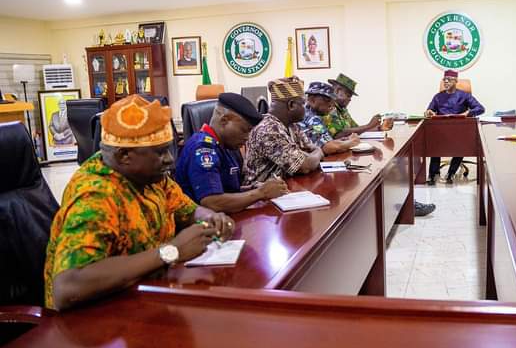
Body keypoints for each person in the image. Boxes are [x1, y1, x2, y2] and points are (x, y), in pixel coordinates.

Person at [44, 95, 235, 311]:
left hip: (145, 298)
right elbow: (68, 287)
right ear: (124, 155)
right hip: (94, 325)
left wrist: (211, 217)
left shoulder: (152, 177)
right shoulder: (95, 196)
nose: (170, 159)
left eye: (169, 148)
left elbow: (188, 210)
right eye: (160, 152)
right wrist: (171, 251)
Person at [175, 92, 289, 213]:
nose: (247, 137)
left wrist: (253, 188)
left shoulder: (224, 146)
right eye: (244, 130)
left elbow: (226, 190)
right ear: (224, 120)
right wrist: (260, 193)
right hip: (201, 227)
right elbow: (212, 202)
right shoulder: (203, 149)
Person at [244, 77, 324, 183]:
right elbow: (304, 166)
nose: (307, 107)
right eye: (303, 103)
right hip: (262, 196)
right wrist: (318, 152)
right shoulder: (268, 130)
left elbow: (310, 151)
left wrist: (313, 154)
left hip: (287, 188)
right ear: (291, 105)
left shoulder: (292, 126)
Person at [424, 69, 485, 185]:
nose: (446, 82)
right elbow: (429, 110)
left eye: (449, 80)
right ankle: (433, 174)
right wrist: (429, 112)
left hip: (459, 131)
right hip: (440, 130)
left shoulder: (464, 96)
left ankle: (451, 173)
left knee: (460, 146)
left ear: (456, 81)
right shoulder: (438, 97)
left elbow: (481, 109)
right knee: (433, 145)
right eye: (444, 80)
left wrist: (467, 113)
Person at [298, 81, 361, 155]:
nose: (331, 104)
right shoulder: (310, 117)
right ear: (312, 100)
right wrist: (352, 142)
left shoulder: (313, 114)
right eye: (327, 100)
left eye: (332, 100)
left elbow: (325, 141)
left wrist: (340, 141)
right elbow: (327, 148)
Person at [323, 73, 381, 139]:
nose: (350, 99)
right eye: (348, 95)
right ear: (337, 91)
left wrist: (379, 128)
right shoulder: (328, 108)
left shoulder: (343, 110)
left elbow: (357, 129)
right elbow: (338, 135)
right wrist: (369, 125)